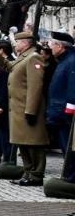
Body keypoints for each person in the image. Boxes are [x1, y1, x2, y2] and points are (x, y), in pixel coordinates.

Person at [7, 29, 50, 186]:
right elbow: (8, 66)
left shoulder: (34, 58)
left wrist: (31, 110)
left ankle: (36, 174)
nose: (16, 44)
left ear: (25, 43)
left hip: (28, 108)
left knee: (33, 143)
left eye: (18, 42)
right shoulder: (22, 57)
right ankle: (28, 171)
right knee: (23, 143)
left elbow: (35, 87)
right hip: (19, 108)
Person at [46, 32, 75, 171]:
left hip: (65, 114)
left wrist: (70, 109)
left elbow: (72, 86)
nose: (50, 47)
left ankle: (71, 177)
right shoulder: (64, 60)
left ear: (60, 46)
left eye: (52, 44)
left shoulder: (71, 61)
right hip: (61, 112)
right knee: (65, 146)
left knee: (69, 146)